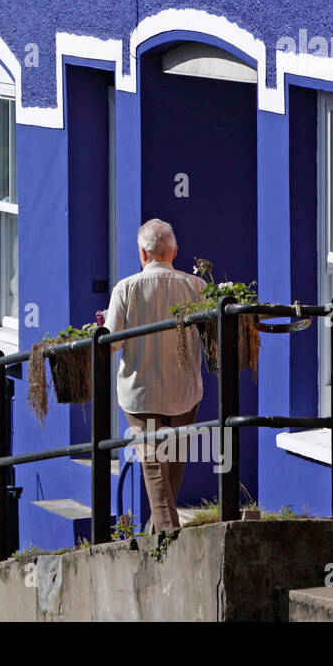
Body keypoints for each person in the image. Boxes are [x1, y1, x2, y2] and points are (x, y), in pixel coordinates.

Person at [103, 218, 207, 533]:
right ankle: (161, 532)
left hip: (141, 391)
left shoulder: (126, 288)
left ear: (143, 254)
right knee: (172, 467)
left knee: (154, 466)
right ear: (174, 251)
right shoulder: (197, 286)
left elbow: (111, 343)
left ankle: (166, 533)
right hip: (184, 391)